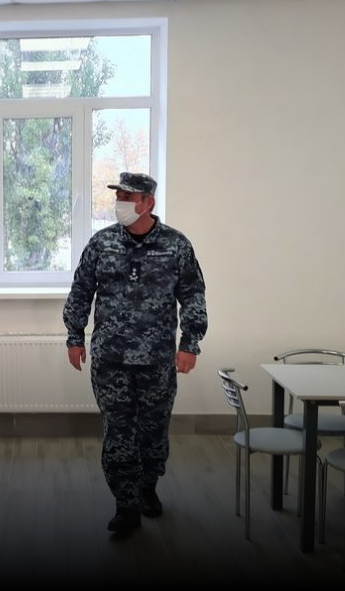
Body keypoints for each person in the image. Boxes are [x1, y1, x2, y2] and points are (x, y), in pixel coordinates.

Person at [62, 171, 209, 534]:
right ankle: (125, 504)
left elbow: (193, 294)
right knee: (118, 431)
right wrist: (74, 336)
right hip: (110, 360)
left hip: (157, 361)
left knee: (153, 429)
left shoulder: (176, 245)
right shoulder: (102, 243)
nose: (120, 204)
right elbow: (81, 290)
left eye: (128, 198)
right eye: (119, 197)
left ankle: (147, 487)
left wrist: (189, 344)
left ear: (148, 203)